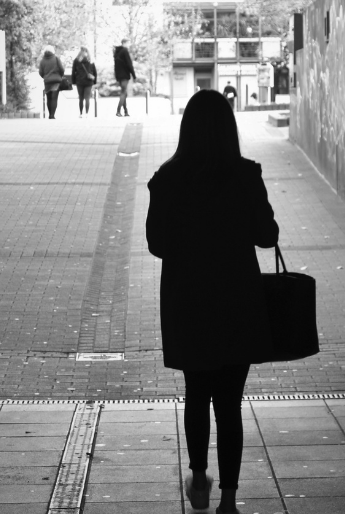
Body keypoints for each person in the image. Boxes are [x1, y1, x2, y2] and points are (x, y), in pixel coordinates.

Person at [145, 90, 279, 514]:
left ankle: (199, 478)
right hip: (237, 299)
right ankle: (229, 501)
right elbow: (267, 236)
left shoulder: (167, 177)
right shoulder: (245, 174)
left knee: (196, 393)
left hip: (188, 301)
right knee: (230, 404)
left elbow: (156, 243)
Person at [38, 45, 64, 119]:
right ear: (53, 51)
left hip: (47, 81)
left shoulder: (42, 60)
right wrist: (60, 76)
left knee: (49, 98)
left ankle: (50, 114)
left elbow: (40, 72)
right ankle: (52, 115)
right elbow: (62, 69)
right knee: (54, 98)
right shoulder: (56, 58)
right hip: (56, 81)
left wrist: (45, 77)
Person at [72, 47, 97, 118]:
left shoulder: (76, 60)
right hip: (89, 82)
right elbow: (95, 72)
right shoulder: (91, 60)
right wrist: (94, 82)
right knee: (87, 98)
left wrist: (74, 81)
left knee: (81, 98)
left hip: (79, 81)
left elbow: (73, 72)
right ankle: (87, 114)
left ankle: (81, 113)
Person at [113, 38, 136, 117]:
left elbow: (115, 66)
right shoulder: (125, 51)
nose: (129, 45)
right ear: (124, 43)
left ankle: (126, 111)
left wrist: (116, 76)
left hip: (119, 76)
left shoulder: (117, 52)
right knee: (123, 93)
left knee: (124, 93)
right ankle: (118, 111)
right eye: (128, 43)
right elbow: (129, 64)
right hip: (124, 76)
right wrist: (133, 75)